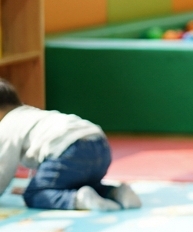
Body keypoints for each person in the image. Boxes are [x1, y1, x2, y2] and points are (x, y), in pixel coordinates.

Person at [0, 80, 140, 211]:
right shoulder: (31, 114)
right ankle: (116, 192)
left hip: (69, 151)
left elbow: (3, 168)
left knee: (35, 194)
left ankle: (79, 199)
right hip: (100, 145)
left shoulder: (6, 126)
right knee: (74, 183)